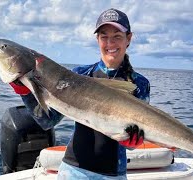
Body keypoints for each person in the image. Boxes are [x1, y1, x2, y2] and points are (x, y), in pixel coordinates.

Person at [9, 8, 150, 179]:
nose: (110, 43)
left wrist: (133, 142)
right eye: (104, 36)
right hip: (73, 171)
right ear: (97, 39)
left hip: (113, 175)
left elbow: (134, 141)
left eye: (117, 36)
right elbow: (48, 121)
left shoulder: (139, 84)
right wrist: (25, 92)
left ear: (129, 39)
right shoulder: (80, 75)